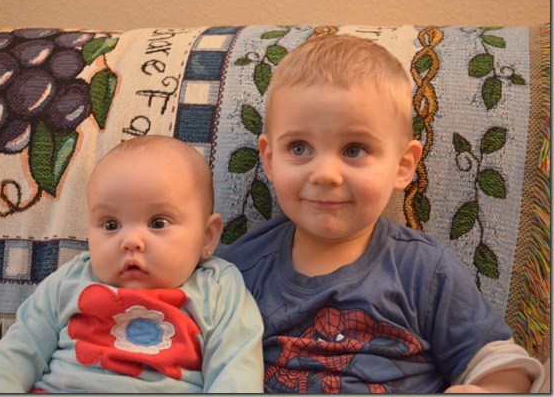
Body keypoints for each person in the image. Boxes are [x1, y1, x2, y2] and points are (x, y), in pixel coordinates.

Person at [219, 34, 544, 393]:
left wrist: (490, 389)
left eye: (354, 150)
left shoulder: (425, 270)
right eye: (299, 148)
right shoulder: (236, 272)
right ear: (269, 160)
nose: (325, 174)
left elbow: (500, 363)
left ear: (403, 166)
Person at [0, 135, 264, 393]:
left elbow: (236, 372)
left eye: (158, 222)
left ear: (207, 236)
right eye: (111, 225)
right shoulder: (70, 280)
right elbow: (16, 355)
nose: (130, 241)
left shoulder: (219, 288)